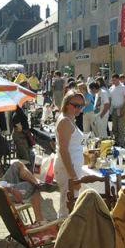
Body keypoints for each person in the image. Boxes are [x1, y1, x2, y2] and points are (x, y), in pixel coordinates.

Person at [54, 90, 85, 218]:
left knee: (69, 202)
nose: (79, 109)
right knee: (67, 204)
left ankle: (66, 231)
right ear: (67, 104)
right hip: (68, 168)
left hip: (71, 166)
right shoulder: (65, 121)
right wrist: (74, 177)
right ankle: (64, 232)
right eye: (76, 105)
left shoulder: (70, 118)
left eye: (81, 106)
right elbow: (64, 150)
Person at [109, 74, 125, 147]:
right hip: (114, 110)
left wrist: (123, 110)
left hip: (121, 109)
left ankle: (122, 144)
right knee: (114, 128)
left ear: (118, 79)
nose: (113, 81)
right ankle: (116, 142)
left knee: (121, 128)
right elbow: (110, 100)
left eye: (114, 80)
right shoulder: (111, 88)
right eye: (112, 80)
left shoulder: (123, 87)